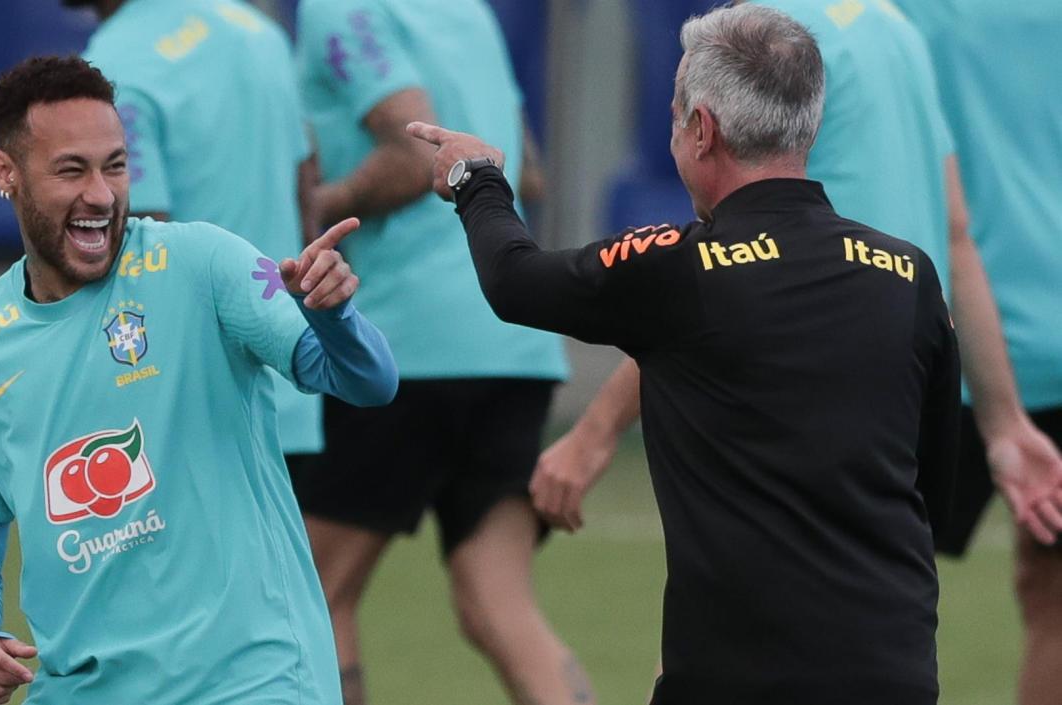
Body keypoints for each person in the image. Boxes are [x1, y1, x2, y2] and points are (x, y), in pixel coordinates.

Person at [410, 4, 962, 702]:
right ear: (810, 125)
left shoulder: (679, 270)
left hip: (736, 677)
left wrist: (476, 181)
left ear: (702, 129)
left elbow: (516, 281)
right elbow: (931, 488)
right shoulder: (908, 275)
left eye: (676, 114)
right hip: (896, 673)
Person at [0, 55, 397, 705]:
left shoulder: (204, 263)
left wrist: (336, 317)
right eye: (72, 169)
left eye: (115, 166)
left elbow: (366, 381)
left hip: (251, 681)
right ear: (5, 174)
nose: (100, 193)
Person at [526, 0, 1062, 547]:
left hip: (791, 389)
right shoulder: (895, 29)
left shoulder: (763, 34)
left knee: (761, 614)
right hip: (892, 391)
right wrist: (1004, 425)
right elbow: (955, 234)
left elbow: (714, 276)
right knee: (879, 609)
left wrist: (593, 433)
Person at [291, 2, 586, 704]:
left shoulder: (339, 10)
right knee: (498, 605)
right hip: (513, 343)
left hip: (406, 348)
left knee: (313, 595)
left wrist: (314, 209)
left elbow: (414, 151)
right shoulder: (465, 12)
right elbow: (526, 168)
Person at [69, 0, 327, 470]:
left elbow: (139, 243)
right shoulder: (257, 30)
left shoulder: (116, 65)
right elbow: (305, 188)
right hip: (284, 370)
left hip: (190, 398)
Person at [892, 2, 1062, 702]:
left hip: (946, 333)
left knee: (819, 580)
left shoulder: (895, 14)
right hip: (1049, 338)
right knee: (1052, 596)